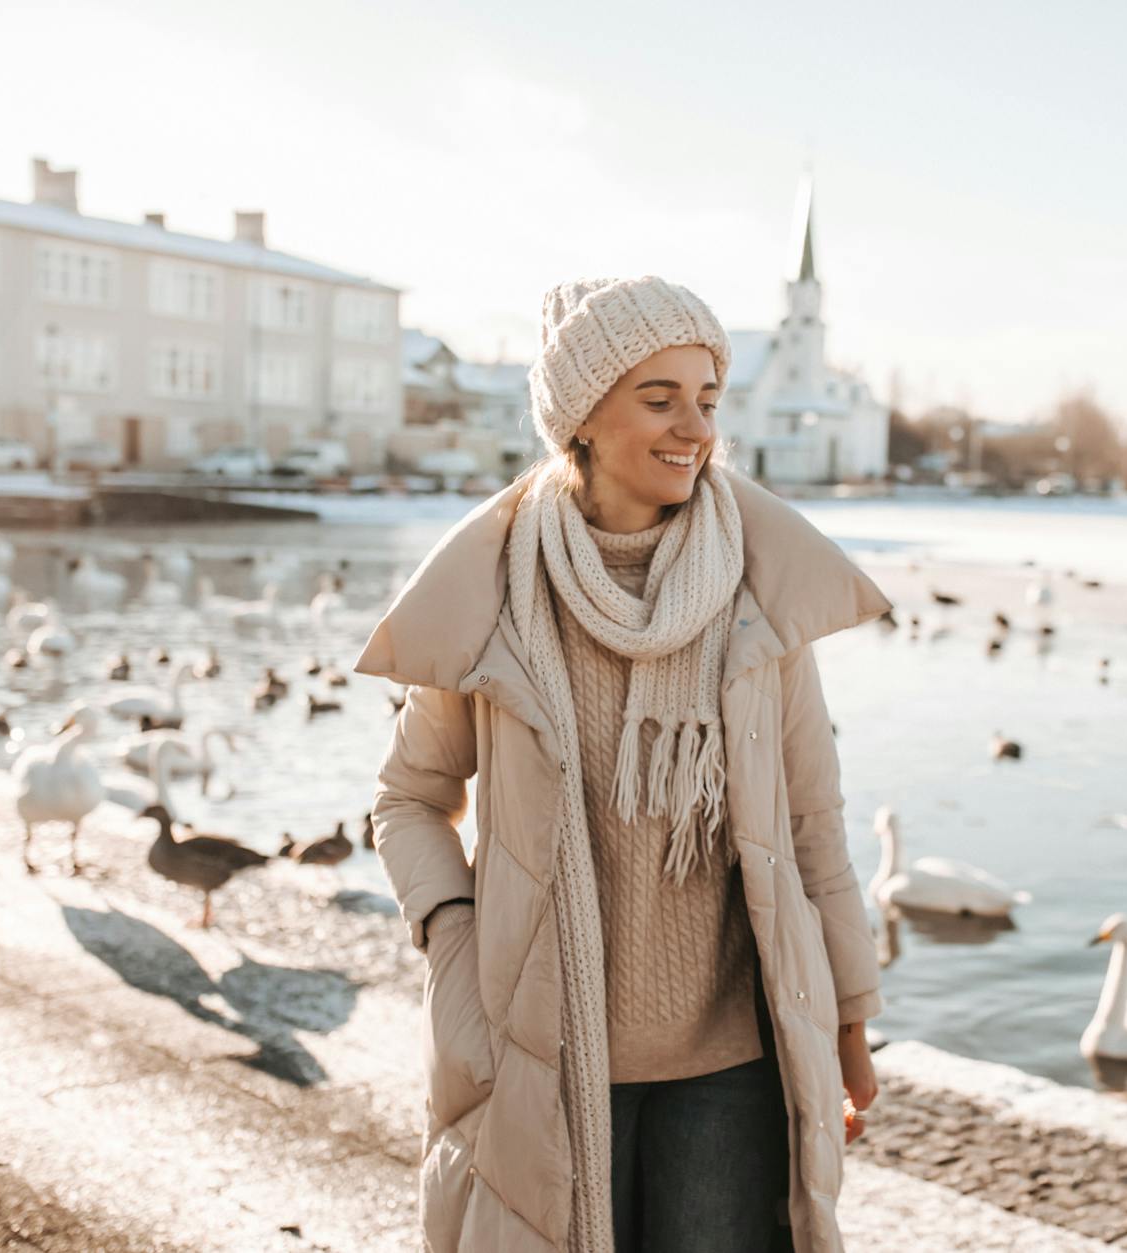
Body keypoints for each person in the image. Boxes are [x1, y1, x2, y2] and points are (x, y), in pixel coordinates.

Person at [356, 275, 892, 1252]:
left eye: (706, 398)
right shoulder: (493, 598)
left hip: (728, 1066)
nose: (693, 427)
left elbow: (812, 822)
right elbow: (408, 800)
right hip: (541, 1045)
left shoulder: (758, 596)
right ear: (583, 418)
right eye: (659, 398)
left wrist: (848, 1012)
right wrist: (454, 937)